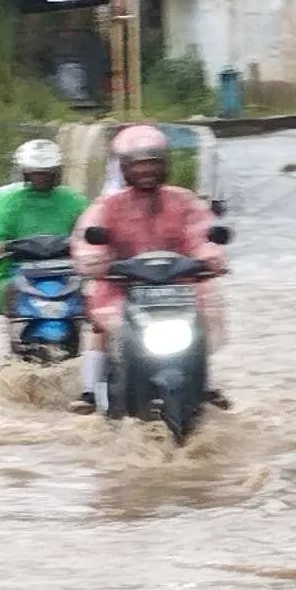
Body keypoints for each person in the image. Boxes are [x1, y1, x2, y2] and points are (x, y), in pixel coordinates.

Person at [71, 123, 230, 414]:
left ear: (165, 165)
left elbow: (202, 234)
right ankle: (89, 392)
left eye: (153, 164)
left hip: (178, 290)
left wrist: (209, 257)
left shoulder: (183, 201)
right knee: (101, 327)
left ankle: (204, 383)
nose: (147, 172)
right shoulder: (107, 206)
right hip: (123, 289)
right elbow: (88, 240)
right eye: (138, 166)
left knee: (202, 322)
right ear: (124, 168)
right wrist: (96, 259)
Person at [0, 140, 94, 384]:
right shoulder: (8, 202)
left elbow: (91, 228)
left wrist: (93, 242)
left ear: (56, 172)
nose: (41, 178)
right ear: (25, 172)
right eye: (36, 173)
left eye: (46, 173)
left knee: (98, 307)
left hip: (65, 271)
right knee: (5, 296)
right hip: (21, 270)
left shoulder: (73, 201)